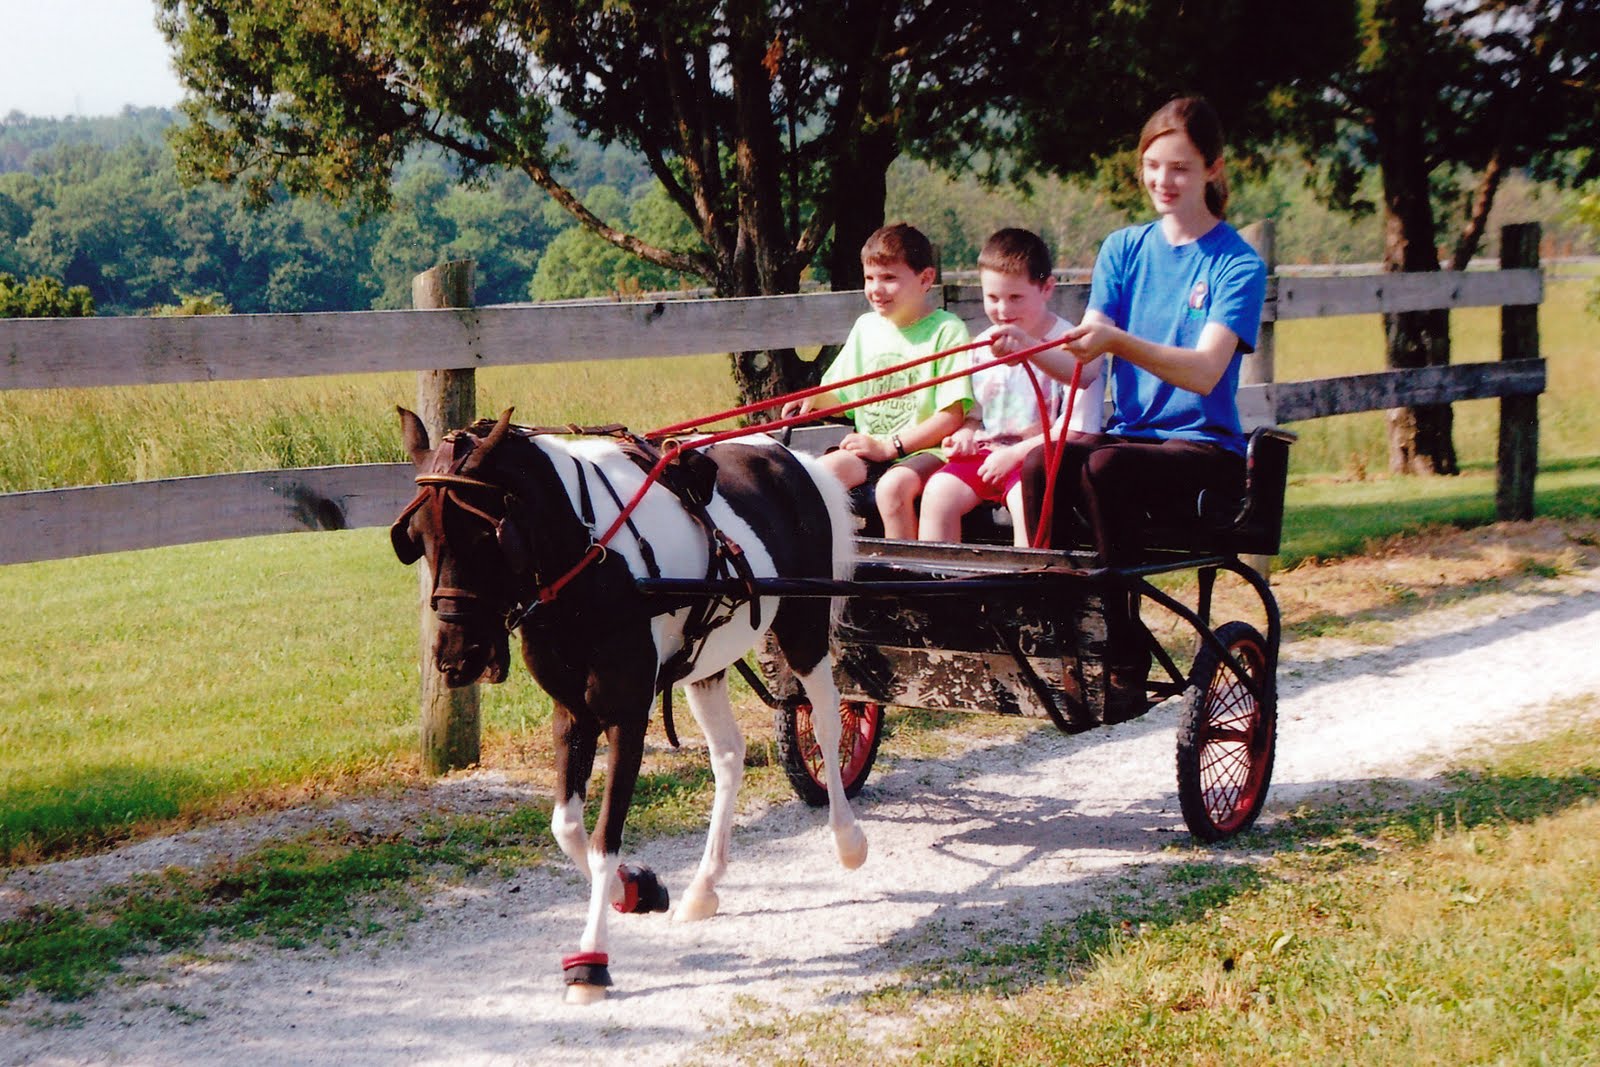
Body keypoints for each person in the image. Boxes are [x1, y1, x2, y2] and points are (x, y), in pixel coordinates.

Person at [1020, 96, 1268, 711]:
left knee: (1106, 465)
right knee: (1041, 461)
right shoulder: (1124, 248)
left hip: (1203, 450)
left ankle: (1123, 654)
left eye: (1180, 168)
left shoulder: (1236, 264)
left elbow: (1205, 373)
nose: (1163, 180)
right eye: (1153, 166)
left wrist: (1118, 341)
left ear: (1213, 168)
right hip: (1134, 441)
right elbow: (1085, 363)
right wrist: (1025, 348)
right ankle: (1060, 631)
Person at [781, 222, 972, 538]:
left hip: (927, 451)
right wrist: (814, 400)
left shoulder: (947, 331)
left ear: (926, 279)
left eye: (889, 278)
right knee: (817, 477)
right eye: (869, 278)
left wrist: (889, 447)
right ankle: (830, 560)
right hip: (870, 447)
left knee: (892, 488)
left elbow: (951, 416)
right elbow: (844, 396)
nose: (876, 289)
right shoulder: (866, 328)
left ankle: (904, 568)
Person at [918, 228, 1104, 546]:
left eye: (1015, 298)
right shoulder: (982, 346)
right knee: (937, 493)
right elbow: (976, 415)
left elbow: (1076, 430)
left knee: (1025, 500)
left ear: (1046, 288)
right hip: (988, 455)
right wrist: (965, 434)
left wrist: (1014, 456)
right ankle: (939, 577)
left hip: (1038, 462)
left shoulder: (1073, 348)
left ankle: (1027, 576)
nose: (1003, 310)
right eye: (992, 298)